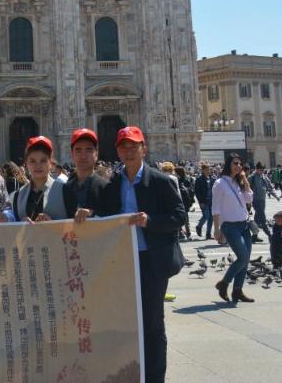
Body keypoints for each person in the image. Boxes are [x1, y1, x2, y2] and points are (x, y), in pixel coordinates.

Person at [94, 126, 185, 383]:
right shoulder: (112, 183)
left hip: (151, 260)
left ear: (143, 148)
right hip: (123, 261)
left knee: (153, 322)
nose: (129, 150)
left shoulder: (160, 180)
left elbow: (179, 216)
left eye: (134, 145)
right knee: (127, 323)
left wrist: (150, 221)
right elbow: (103, 216)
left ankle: (155, 377)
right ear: (118, 151)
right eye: (124, 146)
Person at [212, 153, 255, 304]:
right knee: (242, 257)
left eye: (240, 164)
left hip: (244, 225)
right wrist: (217, 229)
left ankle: (237, 290)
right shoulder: (219, 184)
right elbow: (215, 208)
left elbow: (249, 198)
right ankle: (224, 284)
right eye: (235, 163)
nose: (238, 166)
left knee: (246, 259)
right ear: (228, 165)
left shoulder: (238, 182)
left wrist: (244, 179)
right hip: (230, 226)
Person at [9, 136, 75, 222]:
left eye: (43, 161)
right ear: (26, 164)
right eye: (32, 161)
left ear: (50, 163)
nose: (38, 166)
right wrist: (20, 225)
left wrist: (53, 225)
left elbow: (76, 227)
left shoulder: (65, 191)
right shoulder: (16, 197)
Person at [65, 128, 107, 224]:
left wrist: (92, 213)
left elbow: (115, 219)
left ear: (96, 154)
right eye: (78, 150)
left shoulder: (106, 187)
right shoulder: (65, 188)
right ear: (72, 154)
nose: (83, 156)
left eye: (88, 150)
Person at [248, 162, 275, 241]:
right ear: (256, 169)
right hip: (255, 200)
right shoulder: (252, 177)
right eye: (260, 170)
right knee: (262, 218)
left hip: (262, 199)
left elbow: (269, 186)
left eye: (262, 170)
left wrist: (275, 195)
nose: (262, 171)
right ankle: (269, 234)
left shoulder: (264, 176)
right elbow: (246, 188)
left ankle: (254, 235)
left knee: (257, 218)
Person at [193, 163, 215, 239]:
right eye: (206, 169)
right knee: (206, 215)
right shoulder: (199, 179)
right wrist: (200, 201)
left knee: (211, 218)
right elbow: (197, 191)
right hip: (204, 201)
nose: (208, 171)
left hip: (212, 200)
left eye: (209, 169)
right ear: (203, 170)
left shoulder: (212, 178)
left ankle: (208, 234)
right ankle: (199, 226)